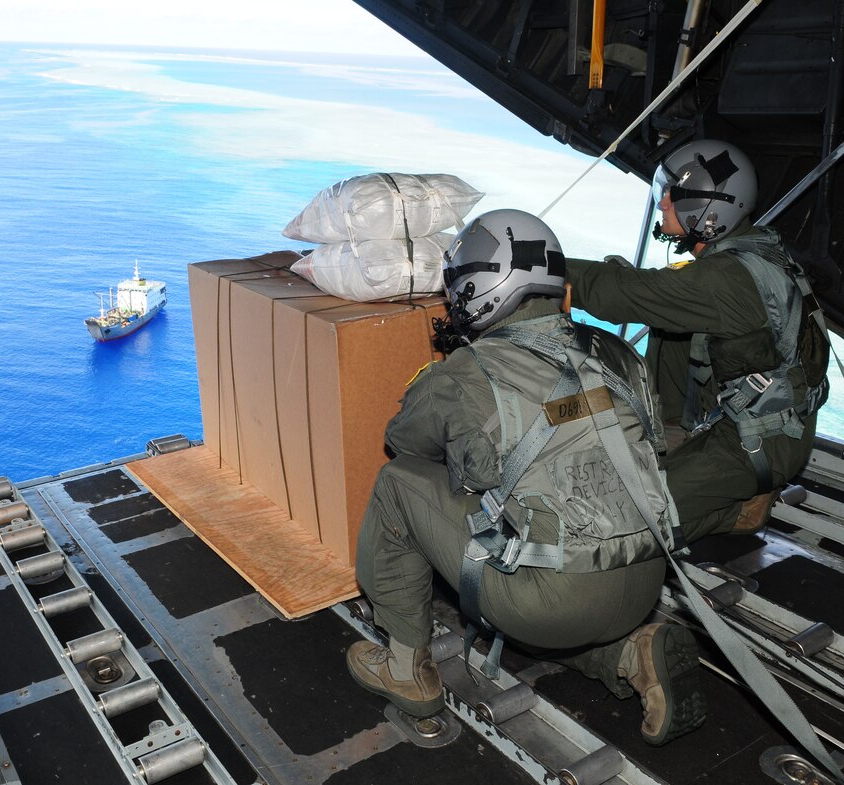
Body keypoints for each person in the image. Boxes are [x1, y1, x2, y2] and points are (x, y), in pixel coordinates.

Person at [347, 209, 706, 746]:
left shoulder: (470, 372)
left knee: (398, 483)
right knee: (539, 573)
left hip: (552, 601)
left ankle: (404, 668)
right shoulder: (618, 353)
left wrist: (446, 391)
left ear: (477, 289)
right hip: (646, 581)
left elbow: (405, 443)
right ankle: (629, 653)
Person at [566, 139, 830, 542]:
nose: (662, 203)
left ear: (709, 210)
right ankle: (670, 431)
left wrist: (540, 270)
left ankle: (739, 512)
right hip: (752, 418)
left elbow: (625, 293)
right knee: (667, 322)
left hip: (755, 442)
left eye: (674, 195)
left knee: (616, 520)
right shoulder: (753, 250)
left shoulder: (726, 280)